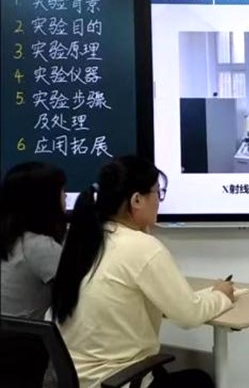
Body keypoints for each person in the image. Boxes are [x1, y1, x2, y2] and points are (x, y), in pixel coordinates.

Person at [51, 156, 235, 388]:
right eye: (157, 193)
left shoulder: (86, 240)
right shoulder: (141, 247)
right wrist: (221, 295)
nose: (159, 201)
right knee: (200, 380)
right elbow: (189, 315)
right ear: (137, 200)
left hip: (76, 380)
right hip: (118, 380)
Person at [0, 161, 67, 388]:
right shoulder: (40, 247)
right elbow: (77, 295)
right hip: (20, 350)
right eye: (62, 191)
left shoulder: (9, 239)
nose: (65, 197)